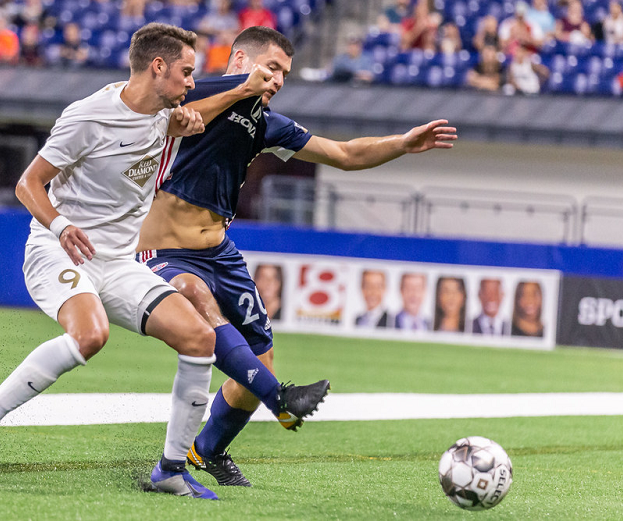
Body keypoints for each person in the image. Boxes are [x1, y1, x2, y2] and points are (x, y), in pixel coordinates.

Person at [0, 22, 275, 500]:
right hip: (58, 248)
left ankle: (170, 468)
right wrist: (61, 225)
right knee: (91, 334)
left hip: (118, 261)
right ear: (157, 66)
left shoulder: (167, 116)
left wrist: (205, 112)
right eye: (186, 72)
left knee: (200, 338)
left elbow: (193, 117)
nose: (191, 83)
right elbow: (28, 184)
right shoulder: (88, 117)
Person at [136, 26, 456, 487]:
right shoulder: (192, 92)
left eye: (284, 73)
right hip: (166, 249)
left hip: (220, 252)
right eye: (272, 68)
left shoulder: (266, 124)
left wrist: (402, 144)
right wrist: (240, 91)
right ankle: (282, 401)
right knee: (195, 298)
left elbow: (344, 153)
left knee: (258, 365)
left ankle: (207, 450)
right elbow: (167, 120)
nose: (279, 80)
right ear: (241, 60)